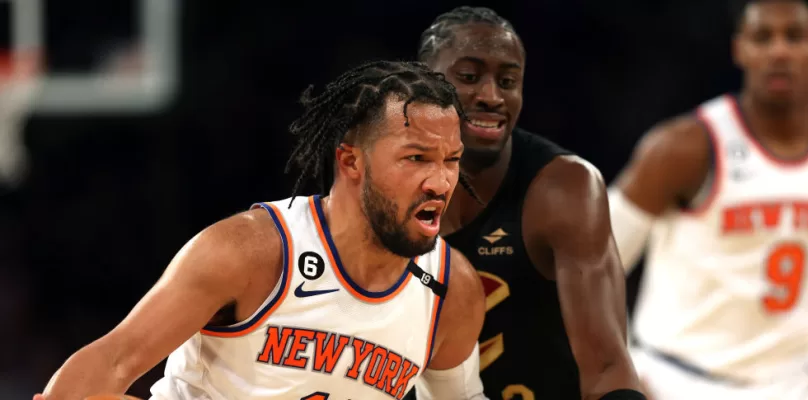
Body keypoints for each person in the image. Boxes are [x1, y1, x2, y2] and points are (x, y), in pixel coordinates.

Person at [34, 60, 489, 400]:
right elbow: (114, 361)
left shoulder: (453, 290)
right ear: (351, 161)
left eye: (451, 160)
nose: (441, 182)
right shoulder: (249, 251)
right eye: (417, 159)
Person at [405, 6, 644, 400]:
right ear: (420, 83)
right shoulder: (380, 181)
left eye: (508, 81)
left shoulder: (564, 189)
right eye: (469, 77)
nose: (491, 96)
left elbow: (607, 367)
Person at [609, 1, 808, 399]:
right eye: (763, 37)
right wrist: (617, 369)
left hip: (801, 383)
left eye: (795, 36)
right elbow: (590, 263)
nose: (779, 51)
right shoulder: (684, 147)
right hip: (677, 379)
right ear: (741, 49)